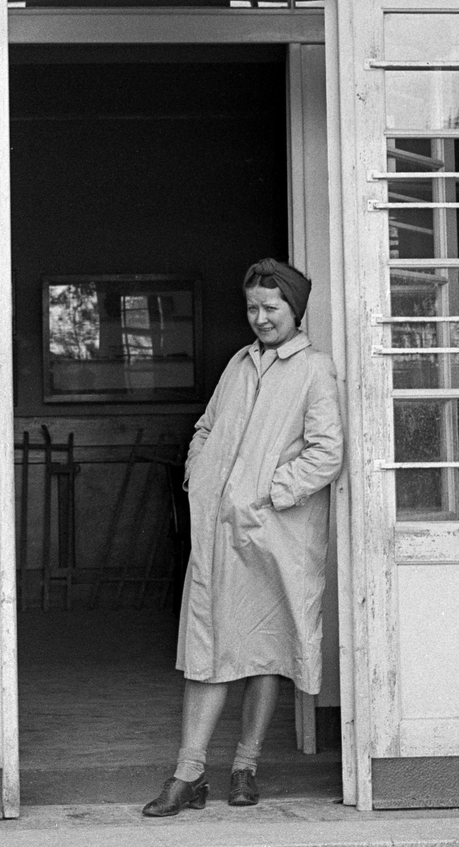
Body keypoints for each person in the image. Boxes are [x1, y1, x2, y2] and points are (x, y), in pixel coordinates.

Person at [142, 258, 344, 816]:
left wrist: (268, 493)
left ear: (295, 310)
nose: (260, 318)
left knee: (263, 648)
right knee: (208, 649)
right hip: (218, 532)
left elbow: (327, 451)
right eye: (252, 308)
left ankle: (245, 768)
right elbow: (207, 425)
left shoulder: (314, 370)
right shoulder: (238, 364)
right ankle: (188, 773)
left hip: (272, 532)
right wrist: (198, 473)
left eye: (271, 308)